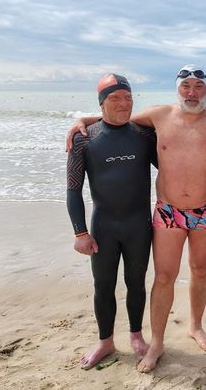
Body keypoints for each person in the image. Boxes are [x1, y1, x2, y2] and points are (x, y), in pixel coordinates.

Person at [66, 65, 206, 373]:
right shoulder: (158, 115)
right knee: (163, 276)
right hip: (168, 210)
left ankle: (196, 326)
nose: (192, 92)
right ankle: (157, 343)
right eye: (186, 86)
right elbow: (114, 120)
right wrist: (82, 121)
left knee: (200, 269)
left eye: (198, 86)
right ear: (177, 89)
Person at [66, 73, 157, 370]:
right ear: (102, 103)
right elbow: (73, 188)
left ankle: (136, 336)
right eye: (115, 98)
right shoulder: (84, 138)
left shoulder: (145, 135)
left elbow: (176, 155)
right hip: (103, 226)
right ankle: (105, 341)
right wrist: (80, 232)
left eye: (128, 97)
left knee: (136, 283)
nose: (124, 103)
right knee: (103, 285)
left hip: (139, 226)